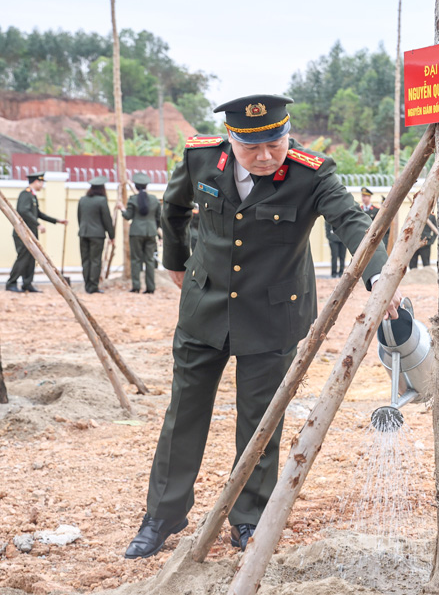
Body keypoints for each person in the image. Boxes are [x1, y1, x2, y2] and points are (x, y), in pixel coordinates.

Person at [124, 94, 402, 560]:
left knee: (261, 421)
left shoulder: (311, 174)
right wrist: (175, 260)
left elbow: (352, 221)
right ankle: (164, 514)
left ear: (287, 134)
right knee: (183, 414)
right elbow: (173, 209)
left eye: (275, 142)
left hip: (273, 315)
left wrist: (379, 275)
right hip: (204, 308)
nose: (266, 155)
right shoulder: (200, 158)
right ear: (232, 140)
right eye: (252, 148)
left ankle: (249, 517)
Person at [6, 172, 67, 293]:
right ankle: (11, 283)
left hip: (30, 233)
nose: (42, 185)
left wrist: (56, 221)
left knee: (31, 259)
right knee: (23, 258)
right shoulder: (26, 194)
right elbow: (24, 211)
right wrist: (38, 224)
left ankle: (27, 284)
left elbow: (37, 213)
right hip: (22, 233)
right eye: (41, 182)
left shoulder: (32, 196)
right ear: (36, 182)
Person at [120, 172, 161, 294]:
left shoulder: (133, 199)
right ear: (146, 186)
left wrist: (122, 208)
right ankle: (150, 288)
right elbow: (159, 218)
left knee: (136, 259)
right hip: (151, 232)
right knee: (149, 260)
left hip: (136, 232)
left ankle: (136, 286)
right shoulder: (154, 199)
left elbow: (128, 216)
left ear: (136, 186)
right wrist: (154, 229)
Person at [77, 176, 115, 294]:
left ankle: (87, 285)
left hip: (83, 233)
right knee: (95, 260)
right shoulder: (102, 200)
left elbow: (79, 217)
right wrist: (112, 235)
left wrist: (83, 229)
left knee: (85, 260)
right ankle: (93, 286)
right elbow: (107, 219)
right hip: (97, 235)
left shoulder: (82, 199)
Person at [409, 203, 437, 269]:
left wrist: (431, 241)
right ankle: (413, 278)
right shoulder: (414, 215)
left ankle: (426, 278)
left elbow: (435, 230)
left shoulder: (431, 217)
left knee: (426, 264)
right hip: (414, 243)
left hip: (425, 244)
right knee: (412, 264)